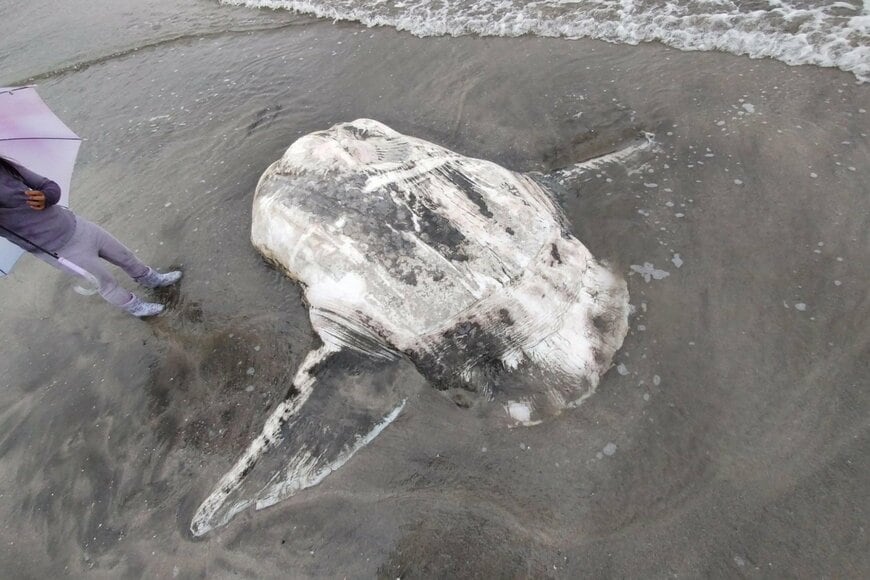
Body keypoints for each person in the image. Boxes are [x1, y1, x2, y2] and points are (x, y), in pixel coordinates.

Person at [0, 156, 181, 317]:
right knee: (106, 283)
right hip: (60, 251)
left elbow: (49, 185)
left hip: (78, 226)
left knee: (125, 256)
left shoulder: (6, 166)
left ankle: (152, 280)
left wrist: (47, 196)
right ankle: (135, 307)